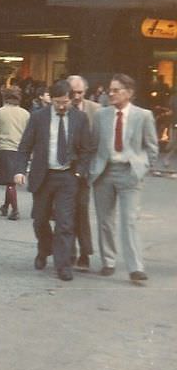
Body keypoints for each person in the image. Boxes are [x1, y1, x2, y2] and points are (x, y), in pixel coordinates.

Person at [14, 80, 92, 282]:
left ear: (70, 98)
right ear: (50, 100)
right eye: (58, 102)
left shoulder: (80, 118)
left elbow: (86, 150)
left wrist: (79, 173)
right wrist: (20, 170)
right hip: (44, 176)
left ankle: (63, 265)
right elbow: (25, 146)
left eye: (65, 101)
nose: (62, 106)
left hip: (68, 177)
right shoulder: (38, 117)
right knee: (39, 220)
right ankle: (44, 248)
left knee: (65, 223)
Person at [89, 73, 159, 283]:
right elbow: (94, 144)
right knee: (105, 221)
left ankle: (135, 267)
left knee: (129, 221)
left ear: (129, 93)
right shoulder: (102, 115)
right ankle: (108, 261)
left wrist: (142, 166)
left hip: (129, 172)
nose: (111, 93)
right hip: (105, 172)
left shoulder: (143, 116)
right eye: (110, 89)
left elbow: (152, 147)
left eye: (116, 90)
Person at [67, 75, 102, 270]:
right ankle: (69, 252)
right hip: (65, 169)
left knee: (81, 210)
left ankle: (85, 253)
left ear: (86, 92)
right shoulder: (62, 107)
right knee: (65, 213)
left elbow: (99, 142)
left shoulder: (96, 111)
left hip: (85, 170)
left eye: (80, 92)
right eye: (73, 92)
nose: (77, 96)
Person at [0, 86, 30, 220]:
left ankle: (15, 210)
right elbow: (30, 132)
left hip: (6, 149)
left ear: (5, 97)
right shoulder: (26, 113)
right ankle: (5, 206)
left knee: (10, 181)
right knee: (11, 181)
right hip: (21, 151)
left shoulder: (0, 112)